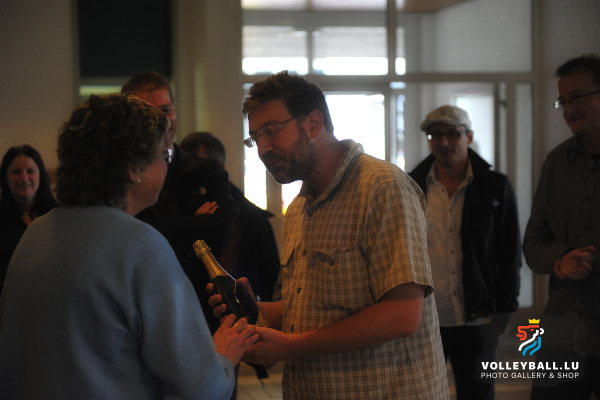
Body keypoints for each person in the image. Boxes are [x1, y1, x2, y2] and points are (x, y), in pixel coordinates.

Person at [209, 71, 449, 399]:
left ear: (313, 123)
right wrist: (259, 311)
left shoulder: (382, 187)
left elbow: (402, 315)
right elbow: (316, 307)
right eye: (255, 138)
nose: (263, 148)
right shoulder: (298, 208)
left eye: (272, 130)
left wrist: (291, 346)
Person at [0, 94, 257, 399]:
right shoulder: (140, 246)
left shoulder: (36, 233)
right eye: (164, 155)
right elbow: (201, 387)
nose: (167, 166)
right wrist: (223, 356)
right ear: (133, 168)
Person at [408, 105, 522, 400]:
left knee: (477, 395)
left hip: (479, 320)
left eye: (452, 133)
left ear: (468, 136)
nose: (443, 142)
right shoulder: (411, 187)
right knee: (420, 394)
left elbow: (510, 254)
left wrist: (502, 316)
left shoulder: (495, 186)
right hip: (424, 320)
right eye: (435, 134)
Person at [121, 72, 239, 335]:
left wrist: (158, 228)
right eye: (150, 113)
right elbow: (127, 238)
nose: (162, 121)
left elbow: (220, 232)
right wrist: (195, 224)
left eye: (167, 111)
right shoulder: (121, 178)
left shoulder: (207, 172)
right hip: (143, 311)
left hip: (205, 310)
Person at [523, 54, 600, 399]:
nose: (569, 109)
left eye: (578, 97)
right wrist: (561, 258)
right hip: (562, 329)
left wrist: (592, 261)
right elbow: (533, 244)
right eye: (563, 101)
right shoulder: (556, 162)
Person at [180, 131, 280, 302]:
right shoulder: (176, 212)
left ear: (219, 167)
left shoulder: (253, 220)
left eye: (197, 168)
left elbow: (269, 284)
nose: (189, 177)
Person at [0, 144, 58, 296]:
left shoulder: (60, 215)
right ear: (5, 176)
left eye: (30, 171)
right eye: (16, 172)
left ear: (41, 175)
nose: (24, 178)